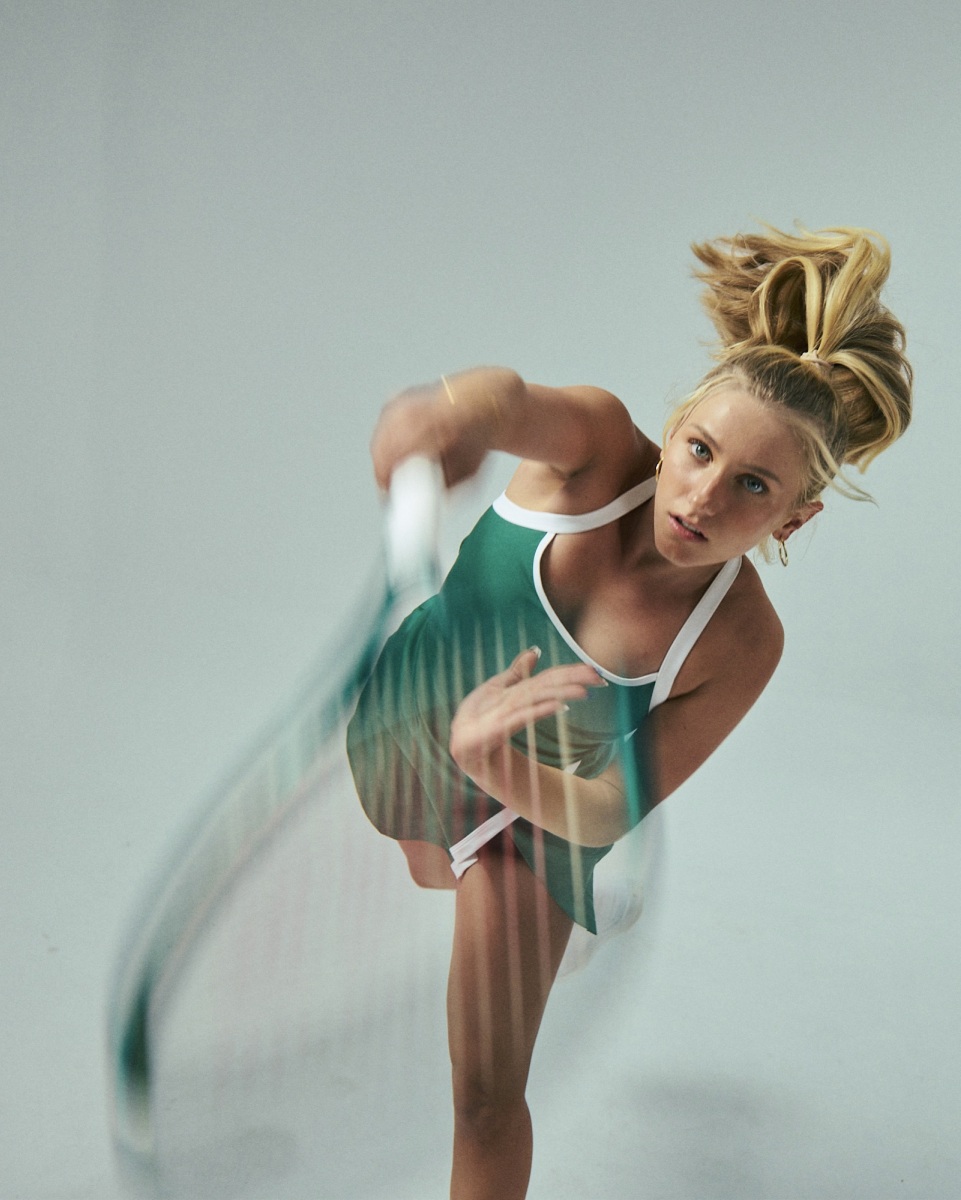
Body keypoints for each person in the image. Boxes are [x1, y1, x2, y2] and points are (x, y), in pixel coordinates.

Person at [346, 224, 912, 1200]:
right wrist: (445, 415)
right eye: (699, 450)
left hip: (539, 809)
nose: (701, 497)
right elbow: (505, 399)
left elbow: (611, 806)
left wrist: (498, 765)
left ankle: (522, 913)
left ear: (794, 517)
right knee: (418, 848)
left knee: (484, 1094)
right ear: (675, 422)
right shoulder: (596, 450)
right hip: (408, 721)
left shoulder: (741, 641)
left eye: (752, 486)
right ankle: (461, 869)